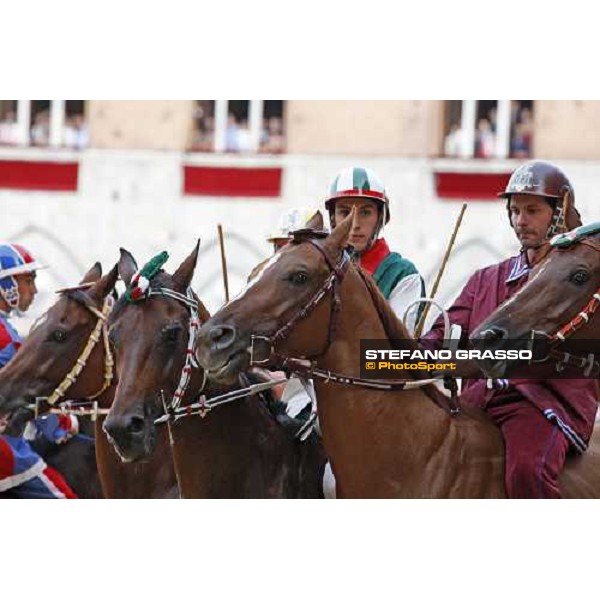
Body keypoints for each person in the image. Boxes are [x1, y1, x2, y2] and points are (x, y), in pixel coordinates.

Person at [421, 160, 598, 499]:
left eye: (532, 210)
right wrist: (402, 356)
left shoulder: (582, 282)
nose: (521, 220)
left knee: (527, 470)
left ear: (560, 213)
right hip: (474, 403)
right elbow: (446, 333)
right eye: (515, 210)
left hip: (540, 404)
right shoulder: (485, 278)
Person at [0, 243, 78, 498]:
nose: (34, 290)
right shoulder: (5, 338)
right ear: (7, 285)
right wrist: (64, 424)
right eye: (28, 280)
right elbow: (29, 393)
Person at [325, 166, 425, 332]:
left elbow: (395, 349)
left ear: (380, 217)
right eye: (344, 212)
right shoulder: (320, 267)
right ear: (333, 218)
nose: (355, 224)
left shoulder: (403, 274)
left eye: (365, 213)